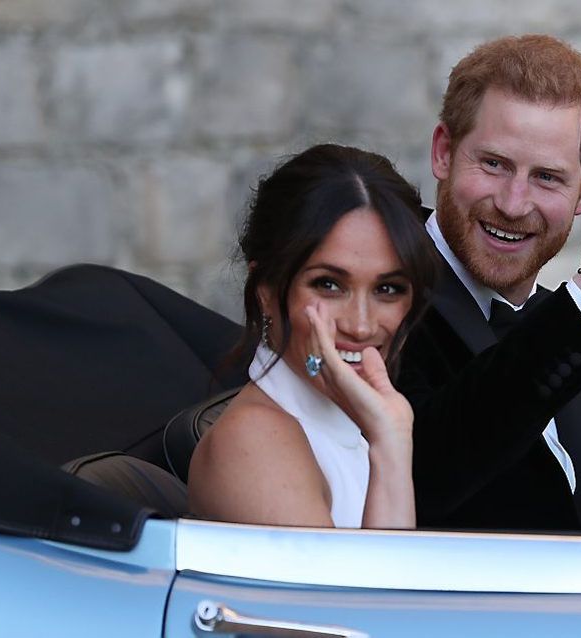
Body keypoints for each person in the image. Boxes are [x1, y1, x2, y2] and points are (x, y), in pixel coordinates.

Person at [397, 35, 581, 532]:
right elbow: (426, 476)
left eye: (547, 178)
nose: (514, 204)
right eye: (494, 164)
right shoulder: (383, 298)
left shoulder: (557, 320)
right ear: (444, 153)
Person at [188, 144, 438, 529]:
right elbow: (371, 592)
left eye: (387, 289)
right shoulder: (254, 440)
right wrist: (391, 446)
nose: (360, 325)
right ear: (267, 292)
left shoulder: (349, 423)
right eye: (328, 285)